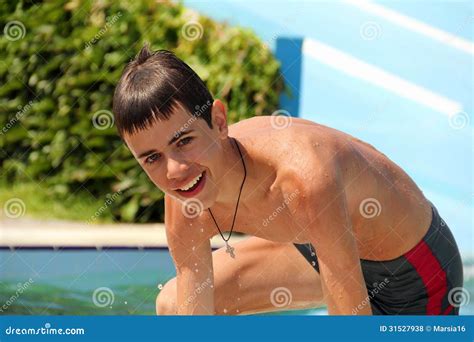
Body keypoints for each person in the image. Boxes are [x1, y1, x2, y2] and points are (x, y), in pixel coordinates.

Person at [112, 45, 463, 315]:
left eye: (184, 141)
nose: (174, 171)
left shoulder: (301, 176)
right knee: (173, 304)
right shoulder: (183, 200)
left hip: (413, 270)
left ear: (219, 121)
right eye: (153, 158)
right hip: (319, 248)